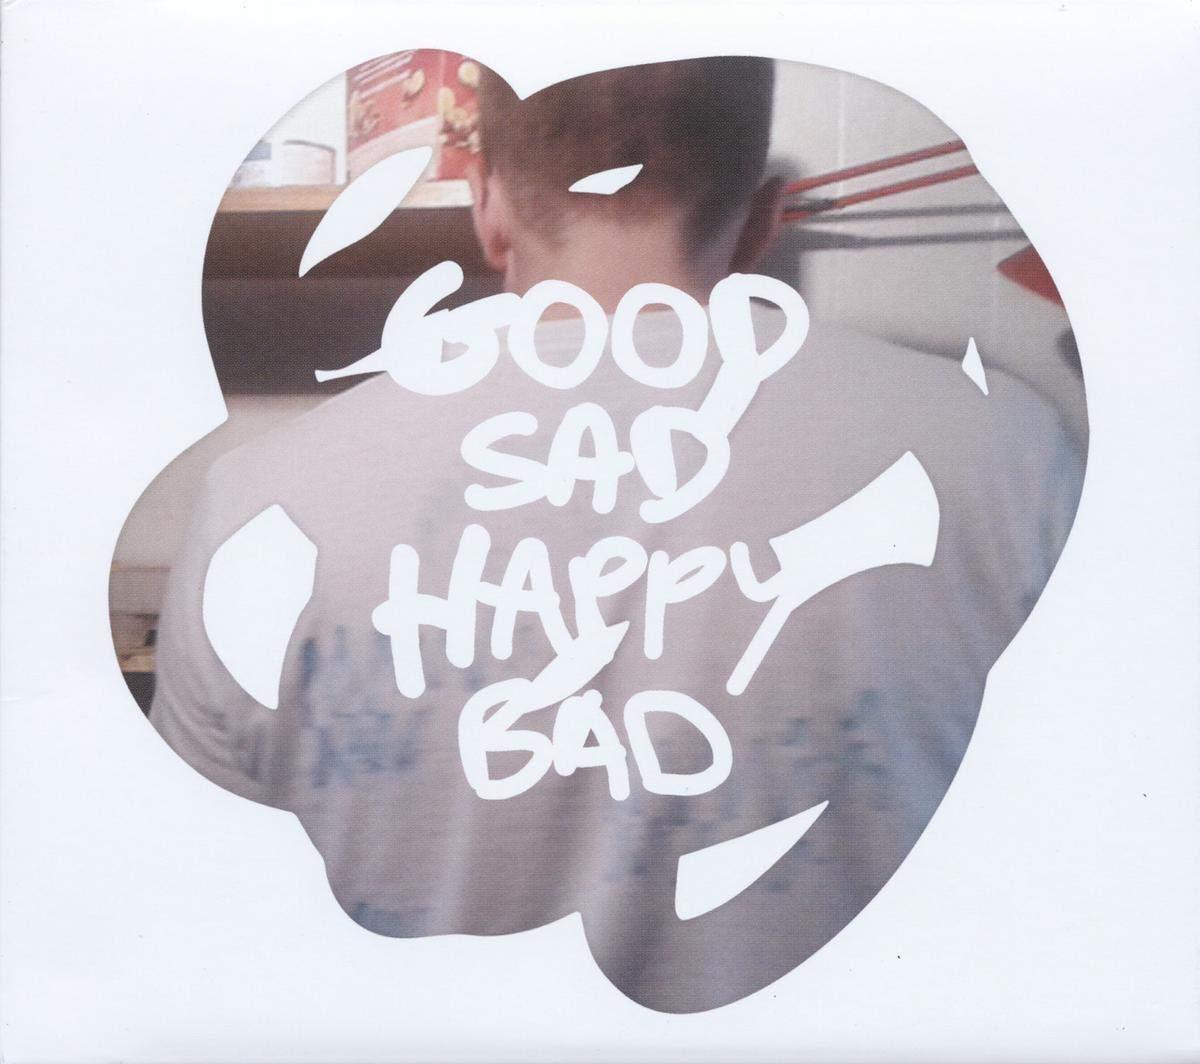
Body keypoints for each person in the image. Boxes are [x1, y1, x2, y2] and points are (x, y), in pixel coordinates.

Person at [148, 56, 1086, 1012]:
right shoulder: (1006, 453)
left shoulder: (258, 504)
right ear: (763, 218)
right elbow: (1074, 868)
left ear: (486, 205)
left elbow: (202, 936)